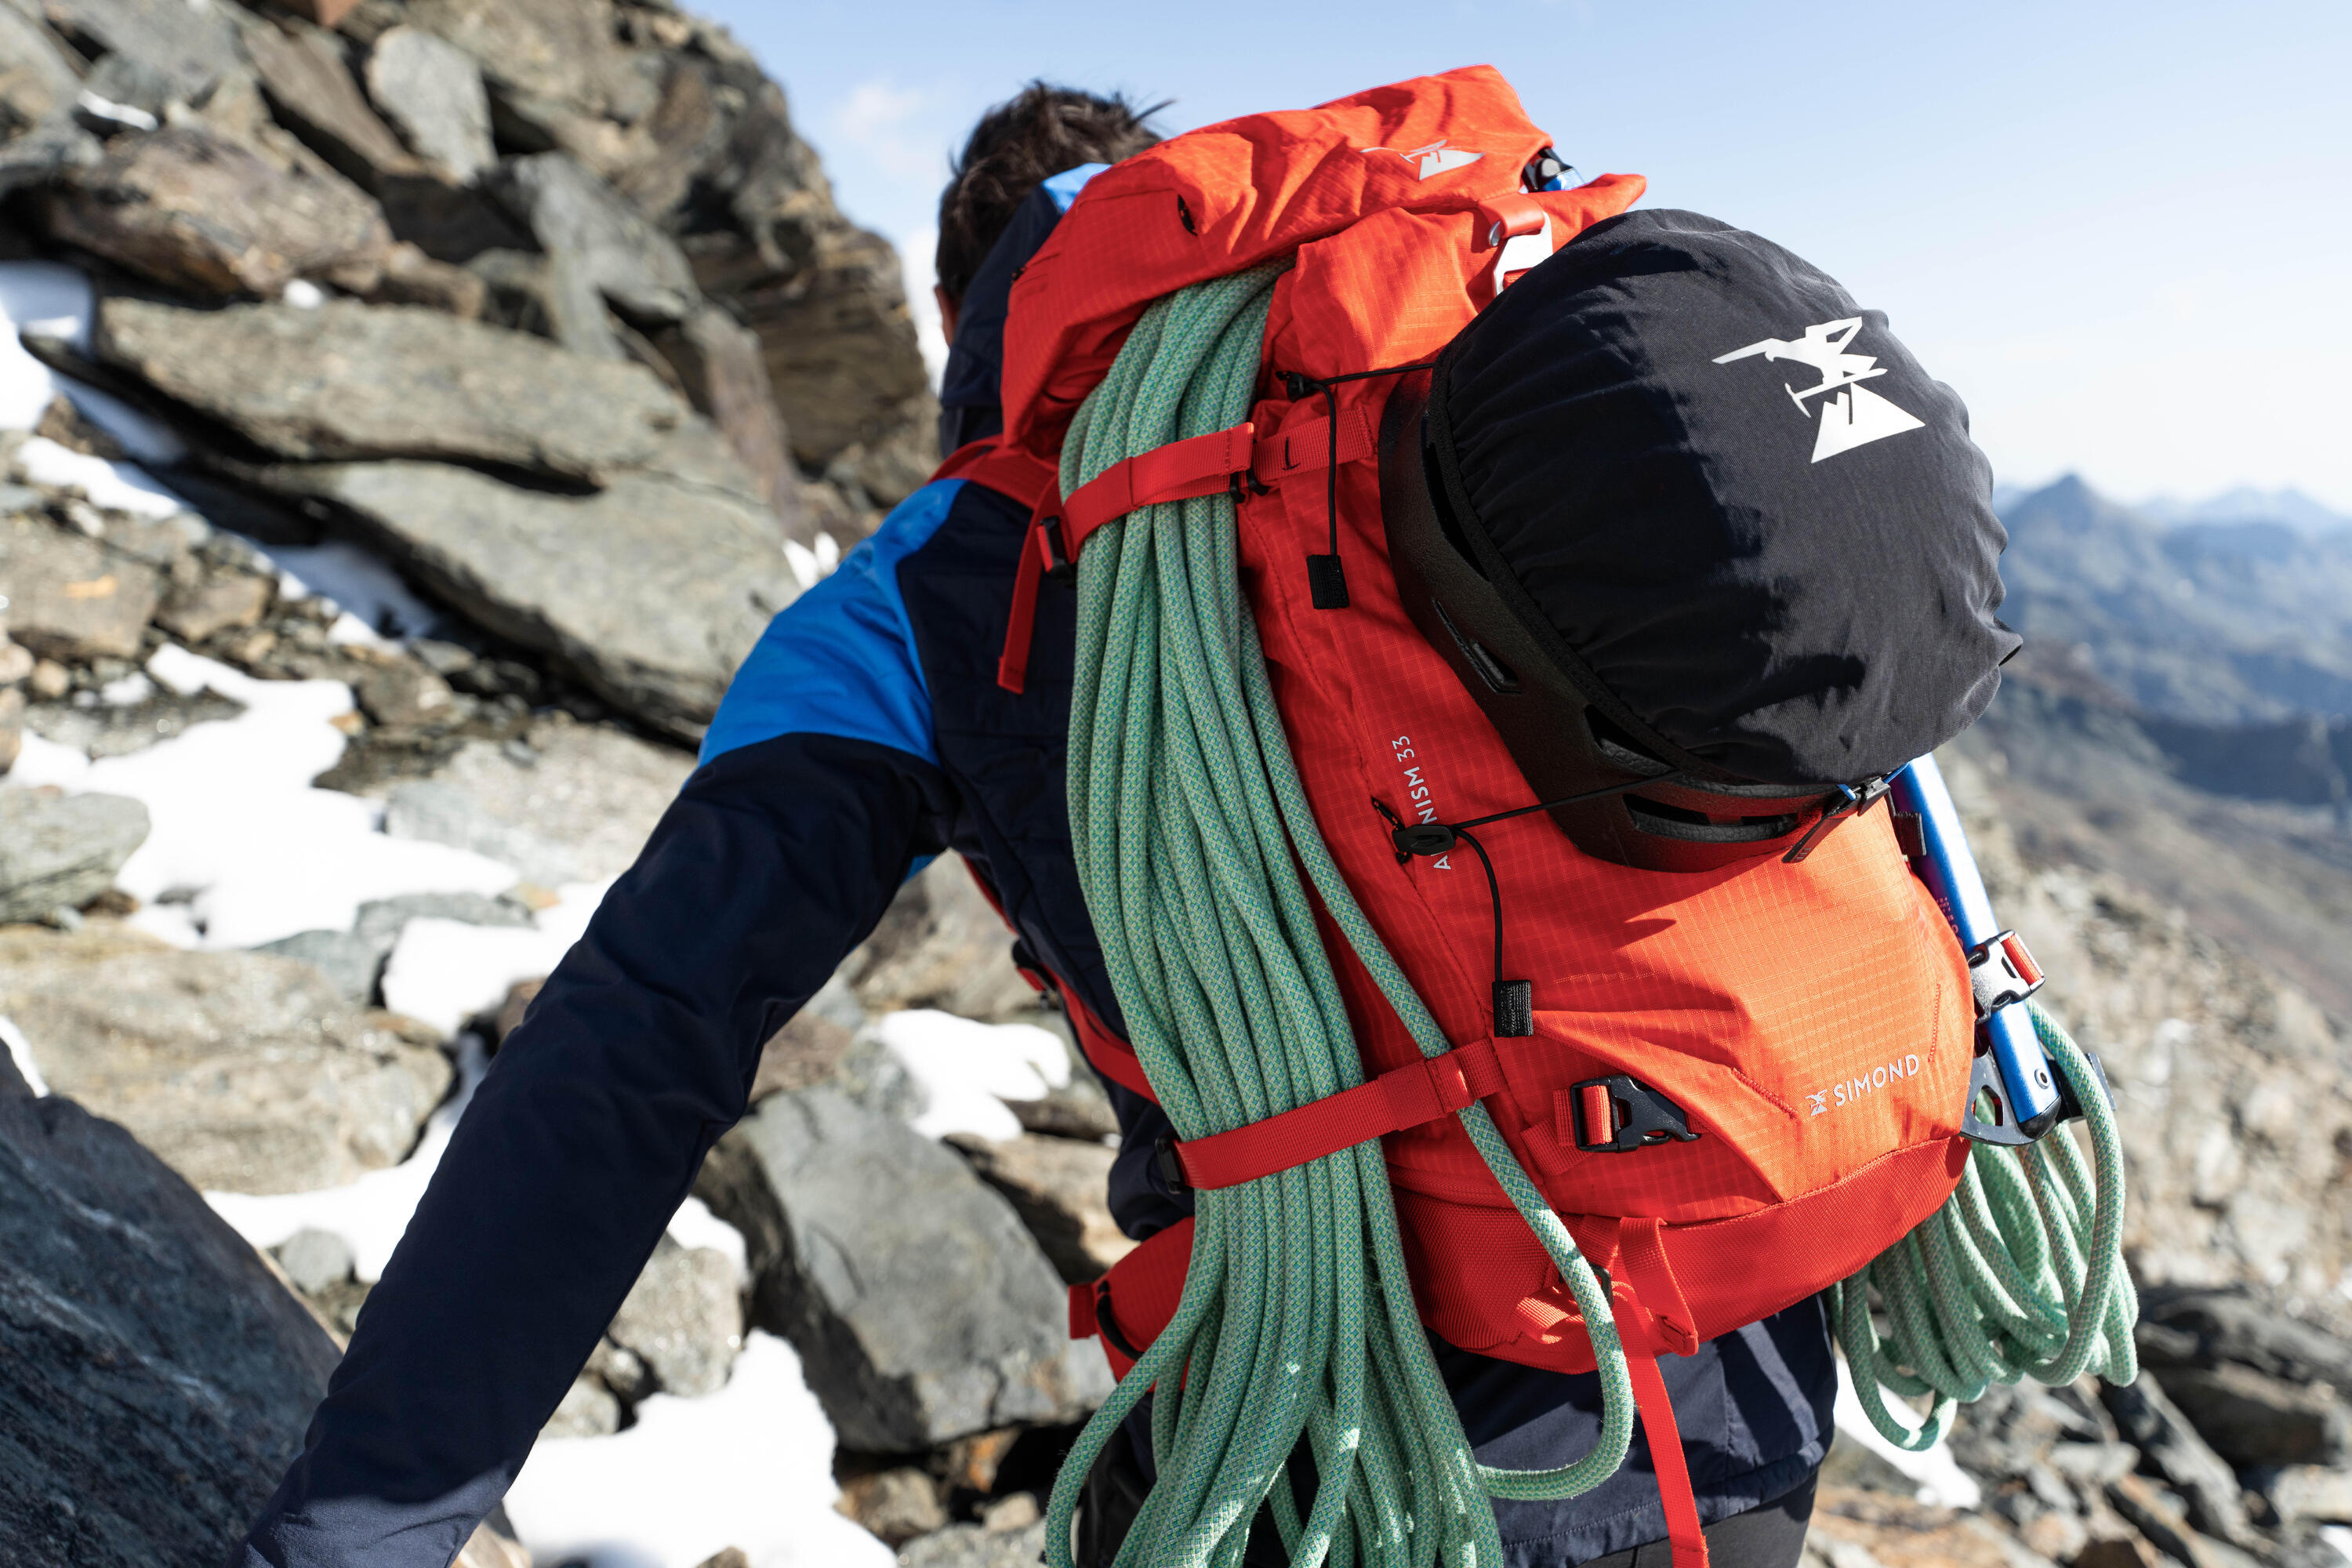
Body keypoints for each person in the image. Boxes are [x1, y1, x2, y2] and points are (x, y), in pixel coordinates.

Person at [234, 80, 2007, 1568]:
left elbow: (631, 1051)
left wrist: (358, 1533)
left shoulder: (937, 583)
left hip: (1353, 1439)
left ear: (976, 314)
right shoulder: (1449, 384)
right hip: (1745, 1352)